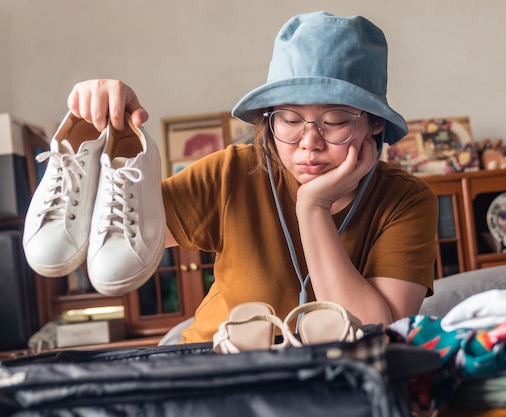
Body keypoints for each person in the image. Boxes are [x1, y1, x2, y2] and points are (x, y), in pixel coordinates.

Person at [67, 11, 438, 344]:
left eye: (336, 121)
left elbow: (375, 334)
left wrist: (313, 208)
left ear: (375, 123)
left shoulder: (406, 200)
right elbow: (105, 238)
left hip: (333, 383)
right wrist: (101, 131)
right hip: (214, 369)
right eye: (290, 120)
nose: (309, 143)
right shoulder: (231, 174)